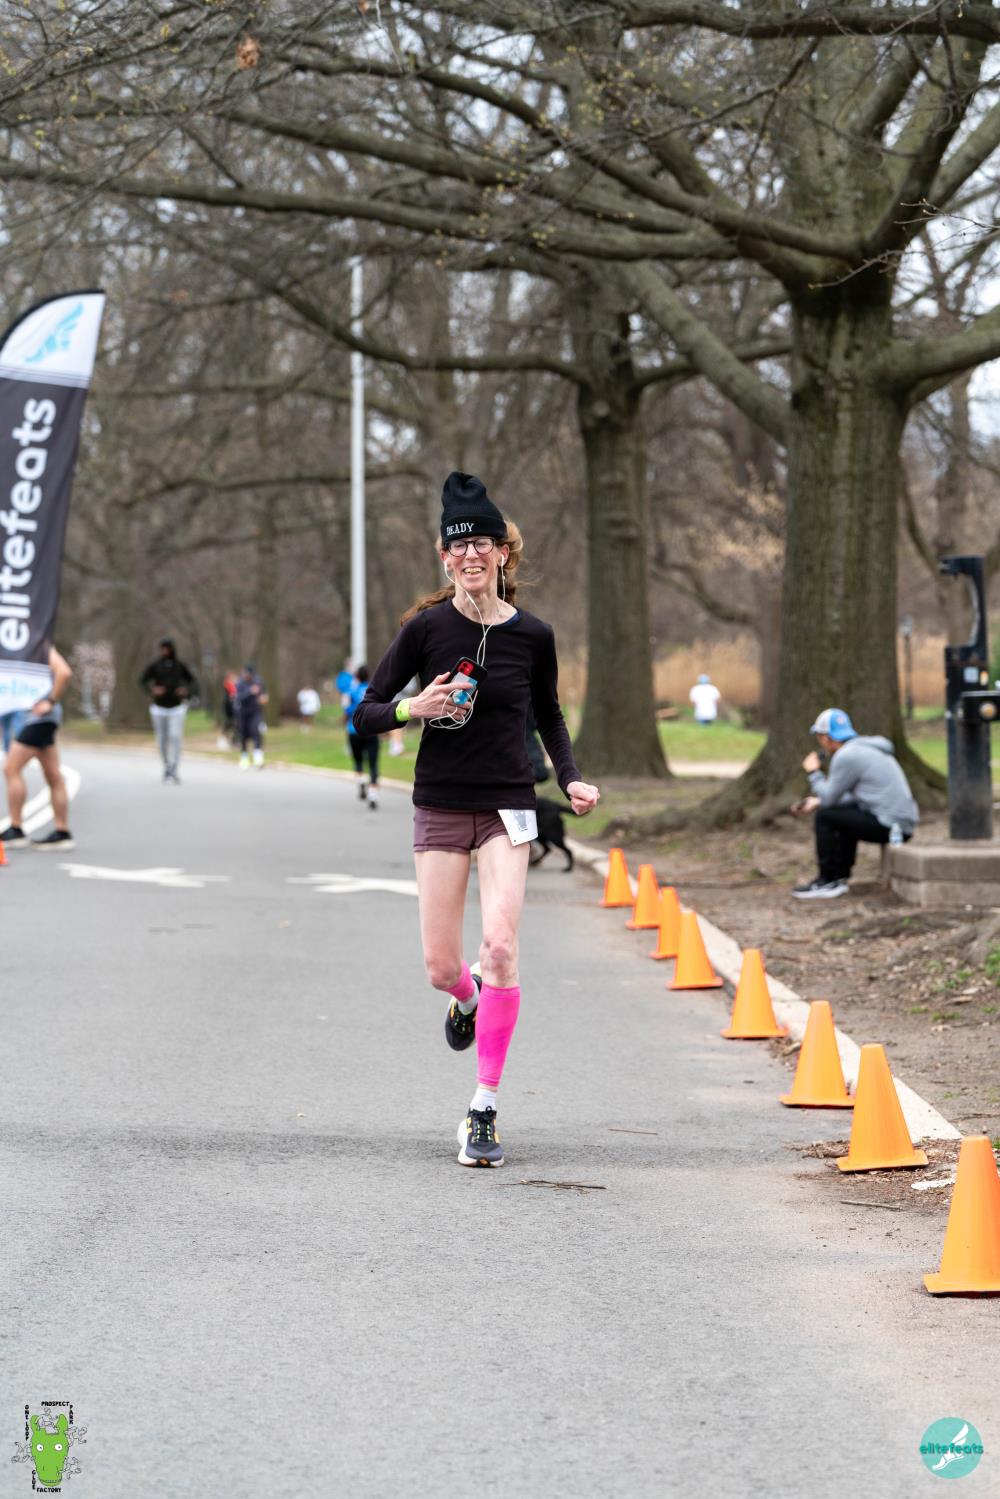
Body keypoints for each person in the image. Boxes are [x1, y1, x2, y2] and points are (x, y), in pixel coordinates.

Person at [353, 471, 600, 1168]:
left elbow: (549, 713)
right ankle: (466, 999)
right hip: (440, 800)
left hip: (507, 805)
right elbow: (365, 712)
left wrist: (571, 778)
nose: (470, 555)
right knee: (443, 966)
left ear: (502, 552)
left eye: (481, 544)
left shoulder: (534, 635)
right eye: (458, 546)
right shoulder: (425, 630)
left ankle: (483, 1107)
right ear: (444, 557)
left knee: (499, 946)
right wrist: (413, 708)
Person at [790, 707, 918, 900]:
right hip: (902, 825)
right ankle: (839, 879)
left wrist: (813, 772)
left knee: (825, 816)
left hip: (891, 826)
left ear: (826, 738)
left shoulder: (846, 755)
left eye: (819, 737)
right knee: (840, 813)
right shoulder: (867, 749)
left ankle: (827, 880)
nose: (820, 742)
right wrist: (817, 801)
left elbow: (830, 799)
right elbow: (859, 796)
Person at [1, 644, 75, 850]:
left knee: (11, 768)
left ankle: (16, 829)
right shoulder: (16, 649)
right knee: (53, 775)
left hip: (39, 718)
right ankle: (62, 833)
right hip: (36, 719)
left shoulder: (39, 645)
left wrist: (50, 701)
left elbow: (64, 672)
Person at [139, 638, 197, 784]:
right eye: (162, 649)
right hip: (159, 709)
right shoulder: (155, 665)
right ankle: (167, 765)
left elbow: (193, 682)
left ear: (172, 649)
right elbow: (142, 680)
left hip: (176, 708)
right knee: (162, 740)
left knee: (175, 737)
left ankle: (174, 768)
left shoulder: (180, 666)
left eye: (167, 648)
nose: (164, 651)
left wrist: (186, 691)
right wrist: (152, 690)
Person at [346, 666, 381, 809]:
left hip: (354, 730)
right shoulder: (374, 691)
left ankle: (361, 781)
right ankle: (373, 795)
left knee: (358, 760)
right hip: (372, 731)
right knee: (373, 764)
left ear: (357, 677)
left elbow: (347, 710)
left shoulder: (352, 691)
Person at [235, 664, 268, 769]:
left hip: (255, 712)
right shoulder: (240, 683)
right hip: (243, 712)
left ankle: (258, 757)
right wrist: (250, 692)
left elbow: (264, 695)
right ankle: (244, 758)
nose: (247, 676)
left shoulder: (258, 681)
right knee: (243, 735)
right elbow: (238, 698)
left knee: (256, 731)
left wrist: (263, 698)